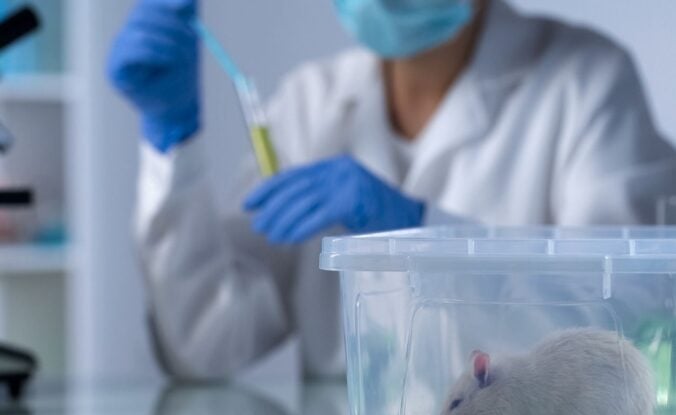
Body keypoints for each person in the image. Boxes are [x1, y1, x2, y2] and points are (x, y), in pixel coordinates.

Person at [108, 0, 676, 379]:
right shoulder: (308, 101)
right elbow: (207, 345)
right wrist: (171, 140)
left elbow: (625, 326)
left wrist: (425, 236)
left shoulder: (588, 81)